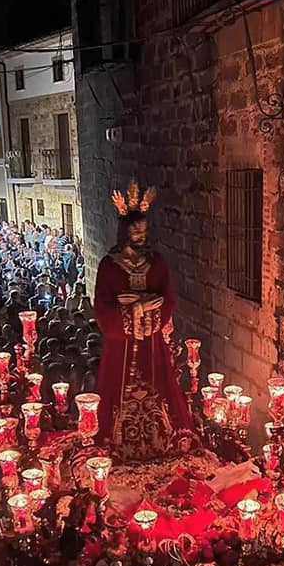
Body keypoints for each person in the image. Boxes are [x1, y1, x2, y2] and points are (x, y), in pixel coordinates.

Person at [93, 181, 191, 460]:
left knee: (160, 392)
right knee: (117, 395)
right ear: (125, 232)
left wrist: (146, 310)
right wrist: (138, 307)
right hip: (120, 349)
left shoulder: (157, 263)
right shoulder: (109, 266)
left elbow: (168, 300)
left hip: (152, 345)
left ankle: (161, 442)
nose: (140, 235)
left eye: (144, 231)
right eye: (135, 231)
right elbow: (102, 308)